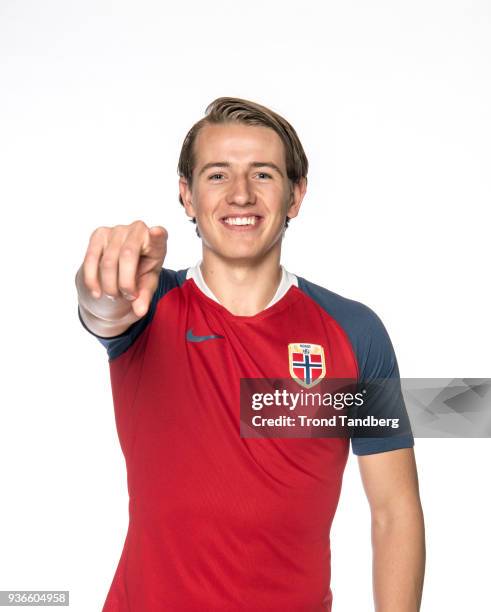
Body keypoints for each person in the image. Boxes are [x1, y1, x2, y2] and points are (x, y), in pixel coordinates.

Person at [75, 97, 425, 611]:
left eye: (262, 174)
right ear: (187, 197)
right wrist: (105, 279)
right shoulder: (147, 307)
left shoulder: (355, 332)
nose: (240, 194)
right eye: (217, 176)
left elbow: (394, 511)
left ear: (295, 195)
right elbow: (102, 308)